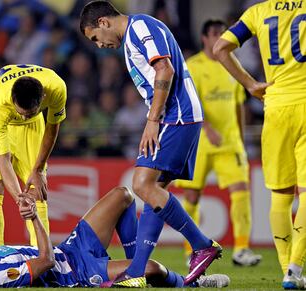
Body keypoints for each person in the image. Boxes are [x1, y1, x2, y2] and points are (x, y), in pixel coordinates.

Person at [79, 1, 221, 287]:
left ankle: (202, 244)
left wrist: (153, 119)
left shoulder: (140, 27)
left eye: (95, 37)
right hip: (176, 115)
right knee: (153, 191)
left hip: (176, 115)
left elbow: (165, 69)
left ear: (104, 22)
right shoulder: (135, 35)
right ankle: (137, 270)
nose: (99, 45)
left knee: (142, 183)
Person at [0, 187, 230, 288]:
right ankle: (193, 284)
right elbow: (46, 261)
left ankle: (132, 271)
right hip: (78, 271)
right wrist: (34, 218)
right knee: (152, 269)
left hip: (73, 248)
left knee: (123, 195)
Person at [213, 1, 306, 289]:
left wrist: (250, 84)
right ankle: (295, 268)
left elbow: (219, 48)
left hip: (276, 107)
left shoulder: (258, 12)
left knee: (280, 196)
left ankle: (286, 270)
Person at [175, 19, 262, 267]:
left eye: (222, 33)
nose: (219, 38)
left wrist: (241, 141)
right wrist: (208, 129)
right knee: (191, 196)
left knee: (241, 192)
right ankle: (191, 249)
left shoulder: (232, 64)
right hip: (199, 142)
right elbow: (191, 103)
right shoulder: (192, 66)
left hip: (230, 143)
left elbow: (238, 106)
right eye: (215, 33)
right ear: (204, 38)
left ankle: (242, 249)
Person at [0, 64, 66, 248]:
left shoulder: (56, 87)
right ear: (12, 99)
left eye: (29, 113)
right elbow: (3, 159)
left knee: (36, 190)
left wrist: (39, 170)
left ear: (43, 98)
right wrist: (19, 199)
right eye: (21, 113)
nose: (23, 117)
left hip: (31, 129)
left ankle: (42, 255)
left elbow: (52, 127)